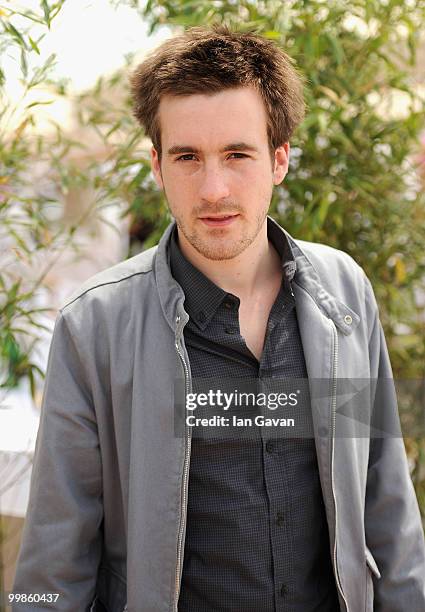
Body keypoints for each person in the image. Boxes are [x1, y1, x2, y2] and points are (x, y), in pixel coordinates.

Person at [13, 24, 425, 612]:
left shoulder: (345, 294)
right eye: (187, 157)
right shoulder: (95, 326)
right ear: (157, 166)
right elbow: (52, 569)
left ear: (279, 159)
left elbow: (388, 511)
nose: (213, 189)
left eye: (237, 154)